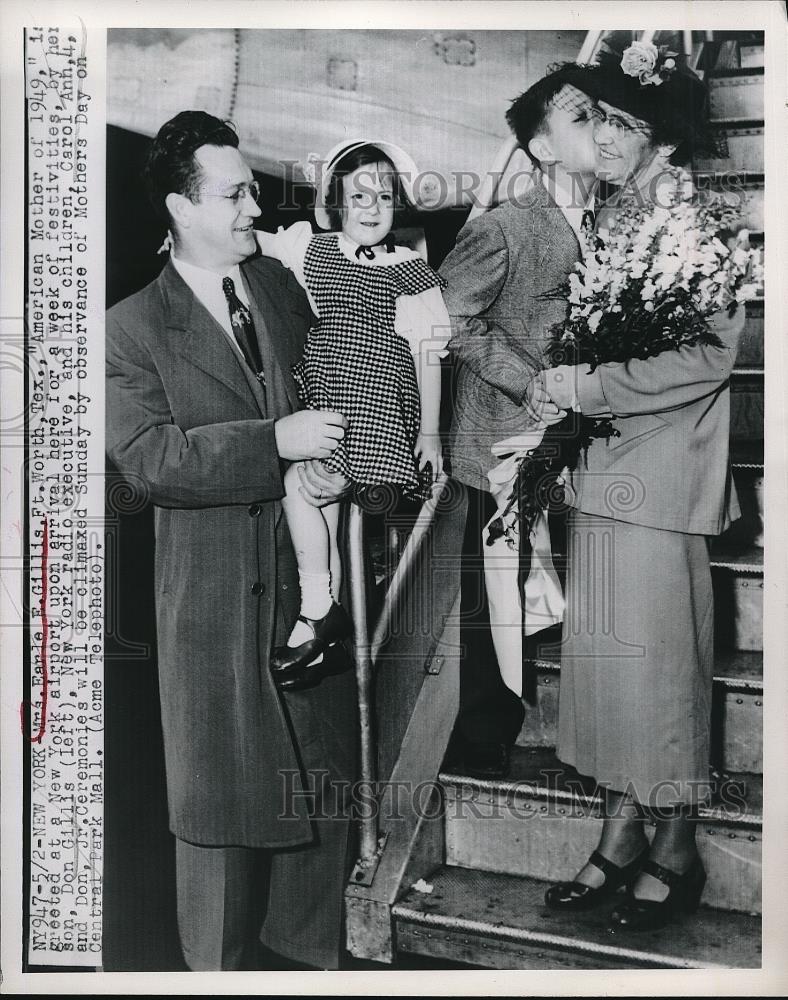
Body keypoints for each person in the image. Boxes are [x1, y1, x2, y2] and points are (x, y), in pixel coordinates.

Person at [105, 110, 358, 971]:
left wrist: (335, 467)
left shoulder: (282, 292)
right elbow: (150, 463)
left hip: (305, 593)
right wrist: (276, 444)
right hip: (212, 610)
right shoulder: (128, 329)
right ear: (180, 207)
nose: (256, 206)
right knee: (215, 817)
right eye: (236, 193)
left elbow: (332, 399)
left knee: (322, 790)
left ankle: (312, 964)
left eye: (252, 188)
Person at [539, 46, 745, 931]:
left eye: (610, 122)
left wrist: (588, 388)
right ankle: (620, 836)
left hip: (661, 484)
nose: (597, 139)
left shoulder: (700, 223)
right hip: (605, 478)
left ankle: (676, 850)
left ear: (650, 132)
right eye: (592, 121)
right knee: (613, 673)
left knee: (660, 679)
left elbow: (709, 355)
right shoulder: (619, 218)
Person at [440, 62, 600, 779]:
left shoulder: (614, 224)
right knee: (494, 601)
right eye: (579, 117)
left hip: (574, 436)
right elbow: (453, 321)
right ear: (541, 147)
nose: (598, 127)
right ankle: (483, 741)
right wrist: (528, 380)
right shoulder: (506, 226)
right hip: (499, 438)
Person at [253, 140, 451, 680]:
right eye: (357, 196)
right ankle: (324, 624)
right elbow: (262, 242)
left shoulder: (408, 268)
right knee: (324, 509)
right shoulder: (314, 249)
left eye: (383, 197)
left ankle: (318, 611)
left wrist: (430, 435)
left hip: (377, 404)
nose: (370, 207)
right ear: (335, 203)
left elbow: (428, 353)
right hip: (329, 397)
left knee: (300, 486)